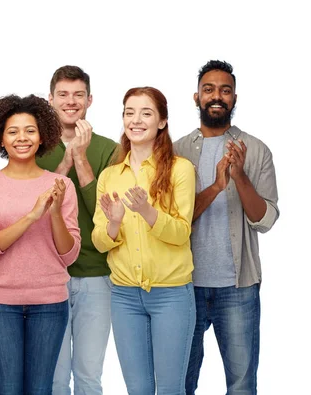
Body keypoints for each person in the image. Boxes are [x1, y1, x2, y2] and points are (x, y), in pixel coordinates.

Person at [174, 60, 279, 395]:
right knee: (180, 382)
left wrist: (239, 176)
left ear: (234, 98)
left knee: (242, 384)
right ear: (196, 97)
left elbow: (265, 219)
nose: (216, 96)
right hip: (182, 285)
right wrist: (217, 186)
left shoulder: (256, 150)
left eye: (224, 90)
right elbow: (172, 221)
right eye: (209, 90)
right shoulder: (176, 152)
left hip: (238, 288)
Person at [0, 94, 81, 394]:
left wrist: (54, 212)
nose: (22, 138)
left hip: (49, 303)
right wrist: (32, 216)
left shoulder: (62, 186)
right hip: (0, 304)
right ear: (0, 138)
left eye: (30, 130)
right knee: (7, 388)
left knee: (40, 388)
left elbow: (68, 255)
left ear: (42, 135)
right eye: (13, 131)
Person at [92, 87, 196, 394]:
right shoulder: (110, 176)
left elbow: (180, 233)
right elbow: (100, 241)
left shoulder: (180, 169)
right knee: (137, 389)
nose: (136, 120)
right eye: (129, 112)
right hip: (124, 296)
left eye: (146, 113)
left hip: (171, 295)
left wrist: (146, 211)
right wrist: (113, 223)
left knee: (169, 389)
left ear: (162, 121)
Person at [36, 65, 117, 395]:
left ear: (90, 100)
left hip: (96, 276)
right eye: (63, 95)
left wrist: (80, 158)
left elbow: (105, 213)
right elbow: (36, 212)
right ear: (50, 99)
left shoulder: (109, 149)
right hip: (47, 276)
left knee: (88, 377)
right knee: (54, 379)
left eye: (78, 95)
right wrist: (65, 164)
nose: (71, 102)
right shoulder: (35, 146)